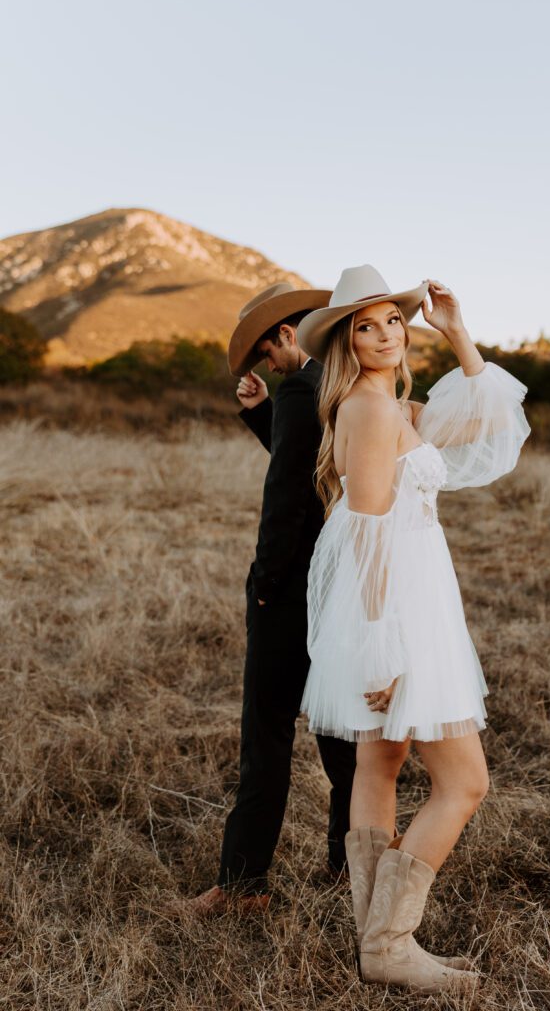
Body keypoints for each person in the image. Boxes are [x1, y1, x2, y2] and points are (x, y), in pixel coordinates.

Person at [297, 266, 530, 993]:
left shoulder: (398, 407)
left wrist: (456, 331)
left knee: (382, 762)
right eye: (365, 326)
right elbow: (363, 535)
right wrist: (379, 646)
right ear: (345, 342)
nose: (384, 335)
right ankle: (391, 943)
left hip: (416, 597)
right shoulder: (367, 413)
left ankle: (376, 942)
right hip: (395, 611)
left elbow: (491, 422)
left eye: (393, 321)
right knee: (464, 782)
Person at [185, 283, 357, 916]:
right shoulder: (337, 386)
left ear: (287, 335)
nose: (267, 368)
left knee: (266, 735)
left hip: (292, 594)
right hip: (341, 588)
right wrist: (265, 415)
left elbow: (286, 503)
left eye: (267, 354)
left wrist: (263, 586)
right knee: (342, 739)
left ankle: (241, 885)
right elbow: (313, 469)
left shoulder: (298, 389)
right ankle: (350, 868)